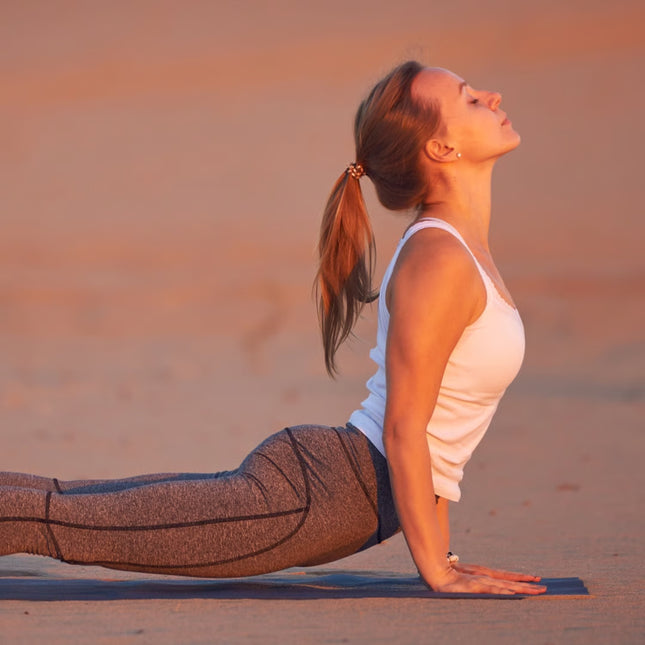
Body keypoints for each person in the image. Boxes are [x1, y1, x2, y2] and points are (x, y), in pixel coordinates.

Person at [0, 61, 546, 595]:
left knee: (65, 506)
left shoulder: (456, 250)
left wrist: (446, 559)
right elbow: (405, 428)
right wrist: (438, 572)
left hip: (328, 486)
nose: (493, 97)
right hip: (317, 498)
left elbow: (440, 441)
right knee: (65, 519)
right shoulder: (439, 260)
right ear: (441, 149)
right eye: (471, 99)